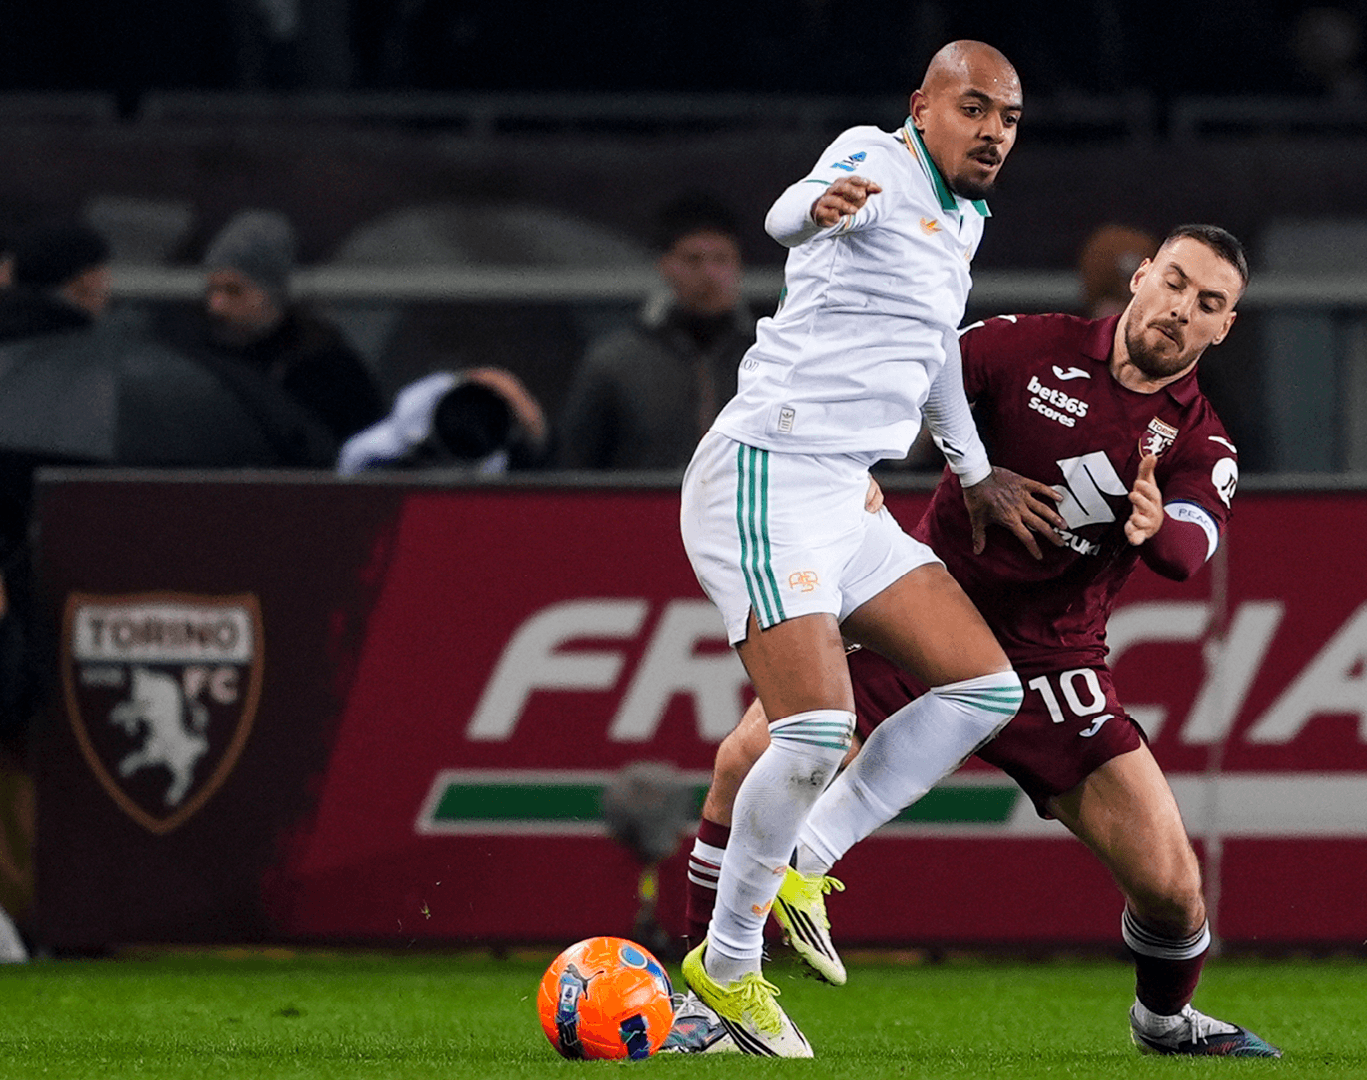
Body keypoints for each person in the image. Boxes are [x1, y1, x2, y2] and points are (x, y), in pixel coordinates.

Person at [674, 226, 1280, 1058]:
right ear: (1143, 277)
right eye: (1174, 283)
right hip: (927, 610)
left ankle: (1164, 1023)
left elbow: (1188, 549)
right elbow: (907, 373)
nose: (1181, 309)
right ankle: (705, 999)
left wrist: (1153, 528)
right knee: (747, 759)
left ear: (1224, 327)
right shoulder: (1025, 346)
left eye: (1208, 303)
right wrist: (866, 465)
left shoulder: (1201, 442)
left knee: (1174, 891)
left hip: (1052, 662)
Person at [676, 40, 1065, 1058]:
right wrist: (820, 206)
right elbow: (785, 213)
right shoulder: (876, 159)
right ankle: (726, 974)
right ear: (921, 108)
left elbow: (934, 348)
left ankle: (804, 856)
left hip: (844, 493)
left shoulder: (964, 217)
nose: (993, 132)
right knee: (812, 731)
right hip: (767, 471)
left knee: (985, 689)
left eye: (1010, 119)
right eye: (974, 109)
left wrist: (972, 471)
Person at [556, 194, 756, 469]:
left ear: (738, 266)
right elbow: (575, 467)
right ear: (666, 266)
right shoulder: (617, 363)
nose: (709, 273)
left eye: (721, 259)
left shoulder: (769, 359)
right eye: (693, 260)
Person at [190, 209, 386, 444]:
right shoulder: (204, 357)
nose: (216, 306)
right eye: (211, 290)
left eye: (234, 290)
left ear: (270, 292)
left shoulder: (325, 368)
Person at [337, 368, 547, 474]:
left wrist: (530, 420)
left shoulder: (490, 465)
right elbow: (354, 457)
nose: (466, 419)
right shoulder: (376, 450)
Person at [0, 223, 112, 345]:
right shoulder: (77, 342)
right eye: (100, 275)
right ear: (80, 284)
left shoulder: (15, 330)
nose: (107, 289)